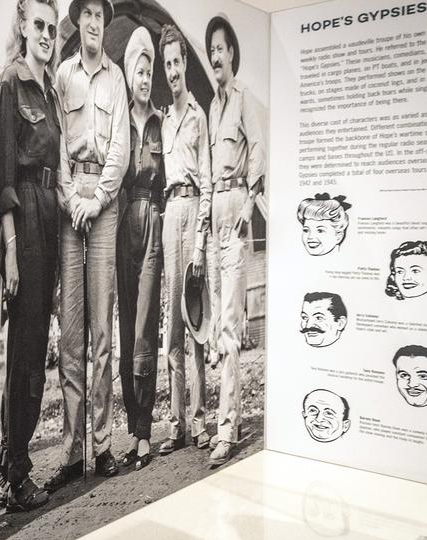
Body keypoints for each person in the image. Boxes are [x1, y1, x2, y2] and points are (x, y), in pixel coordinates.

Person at [45, 0, 128, 492]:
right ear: (77, 21)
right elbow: (57, 144)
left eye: (100, 15)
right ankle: (72, 452)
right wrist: (67, 195)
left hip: (104, 203)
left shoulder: (115, 79)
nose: (94, 23)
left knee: (101, 330)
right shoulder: (63, 75)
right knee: (71, 333)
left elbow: (119, 145)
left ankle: (102, 445)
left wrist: (96, 199)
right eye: (88, 14)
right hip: (69, 200)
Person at [0, 0, 60, 512]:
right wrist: (11, 250)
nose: (47, 35)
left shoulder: (49, 89)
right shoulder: (10, 83)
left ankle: (6, 467)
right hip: (25, 219)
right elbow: (2, 177)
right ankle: (16, 473)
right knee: (27, 350)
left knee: (34, 346)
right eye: (39, 25)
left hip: (50, 214)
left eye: (53, 28)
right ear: (22, 26)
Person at [206, 14, 266, 467]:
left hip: (237, 215)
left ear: (233, 53)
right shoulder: (213, 106)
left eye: (221, 47)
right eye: (210, 49)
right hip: (214, 219)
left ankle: (226, 429)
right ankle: (234, 415)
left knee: (228, 325)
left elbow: (260, 152)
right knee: (216, 324)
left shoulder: (244, 99)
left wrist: (248, 207)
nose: (214, 55)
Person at [157, 24, 213, 457]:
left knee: (196, 324)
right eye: (167, 63)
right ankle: (175, 424)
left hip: (193, 212)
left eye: (178, 61)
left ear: (186, 64)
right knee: (172, 328)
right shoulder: (164, 120)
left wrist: (199, 242)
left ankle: (199, 421)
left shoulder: (198, 115)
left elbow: (208, 184)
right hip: (169, 212)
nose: (173, 70)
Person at [115, 26, 163, 471]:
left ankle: (145, 432)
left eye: (149, 71)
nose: (144, 77)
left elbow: (165, 183)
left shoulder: (159, 124)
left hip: (151, 227)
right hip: (120, 224)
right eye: (138, 70)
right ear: (129, 74)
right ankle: (132, 423)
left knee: (147, 324)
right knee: (127, 327)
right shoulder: (119, 122)